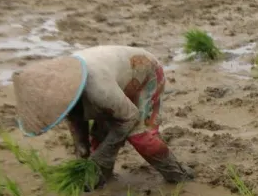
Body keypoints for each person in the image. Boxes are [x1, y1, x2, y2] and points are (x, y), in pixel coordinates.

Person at [12, 46, 192, 187]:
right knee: (98, 137)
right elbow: (74, 116)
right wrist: (81, 148)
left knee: (141, 137)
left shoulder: (100, 89)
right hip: (114, 78)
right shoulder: (62, 87)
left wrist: (105, 153)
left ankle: (177, 176)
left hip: (143, 72)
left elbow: (130, 117)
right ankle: (101, 180)